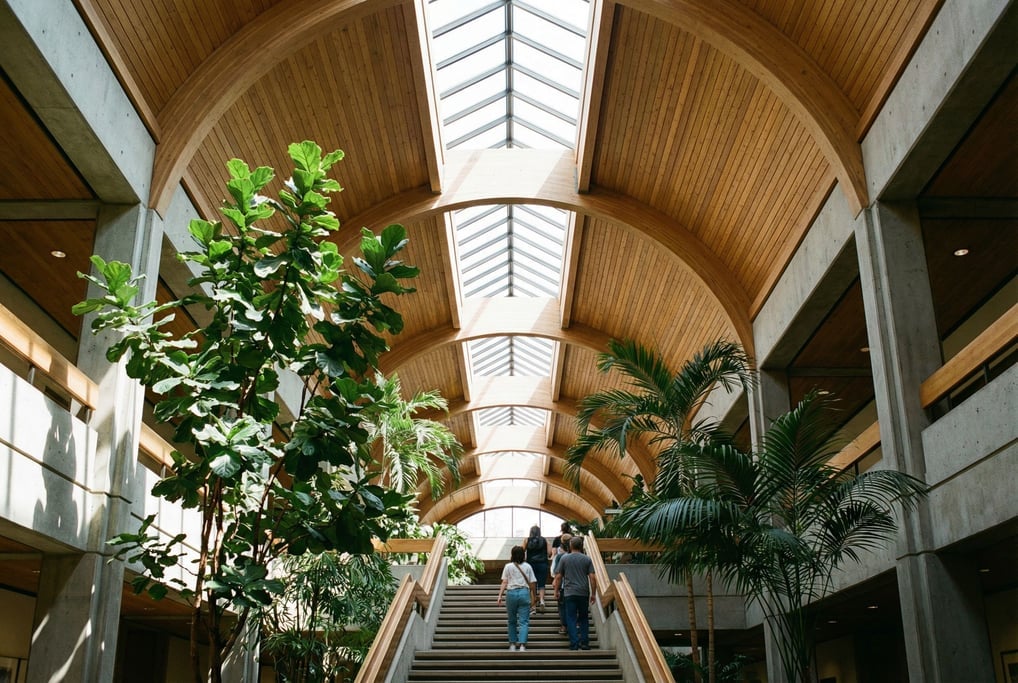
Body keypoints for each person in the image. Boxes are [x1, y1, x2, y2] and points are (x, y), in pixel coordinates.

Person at [552, 535, 597, 651]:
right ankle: (585, 643)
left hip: (569, 593)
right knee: (583, 618)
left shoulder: (564, 559)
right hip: (583, 592)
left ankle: (574, 644)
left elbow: (558, 577)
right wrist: (593, 594)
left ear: (570, 546)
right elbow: (592, 577)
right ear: (581, 546)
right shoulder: (587, 559)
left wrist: (556, 591)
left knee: (571, 618)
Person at [496, 545, 537, 651]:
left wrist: (500, 595)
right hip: (524, 592)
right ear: (523, 555)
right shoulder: (528, 566)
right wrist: (534, 596)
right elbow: (533, 583)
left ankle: (513, 644)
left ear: (512, 554)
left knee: (511, 620)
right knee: (524, 621)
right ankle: (522, 645)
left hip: (511, 593)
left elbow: (504, 581)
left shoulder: (508, 566)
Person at [521, 525, 551, 613]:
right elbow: (549, 553)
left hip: (530, 565)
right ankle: (541, 600)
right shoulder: (545, 540)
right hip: (543, 564)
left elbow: (521, 550)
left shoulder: (527, 540)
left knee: (532, 585)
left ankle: (533, 606)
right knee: (542, 584)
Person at [551, 532, 572, 635]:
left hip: (564, 586)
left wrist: (556, 589)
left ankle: (564, 626)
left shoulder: (560, 557)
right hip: (578, 587)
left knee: (562, 606)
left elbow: (557, 573)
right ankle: (574, 625)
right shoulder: (582, 556)